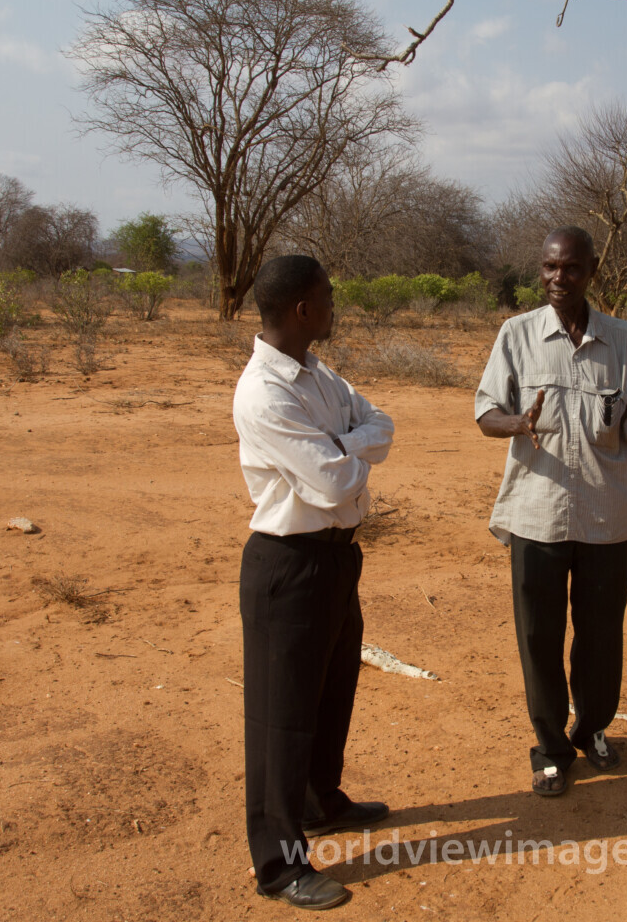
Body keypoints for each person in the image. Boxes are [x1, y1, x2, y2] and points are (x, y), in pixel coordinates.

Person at [474, 226, 627, 797]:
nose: (559, 279)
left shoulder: (625, 340)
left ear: (592, 271)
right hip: (538, 513)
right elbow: (486, 412)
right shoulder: (517, 334)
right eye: (549, 268)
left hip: (606, 516)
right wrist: (517, 423)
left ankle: (593, 728)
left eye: (571, 269)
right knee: (539, 635)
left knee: (601, 635)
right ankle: (551, 748)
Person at [233, 254, 394, 910]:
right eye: (328, 295)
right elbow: (332, 484)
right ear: (303, 309)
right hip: (287, 565)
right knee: (280, 718)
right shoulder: (264, 392)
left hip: (335, 559)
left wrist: (343, 447)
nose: (335, 304)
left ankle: (320, 800)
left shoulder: (319, 376)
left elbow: (382, 428)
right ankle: (278, 861)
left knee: (332, 692)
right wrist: (348, 453)